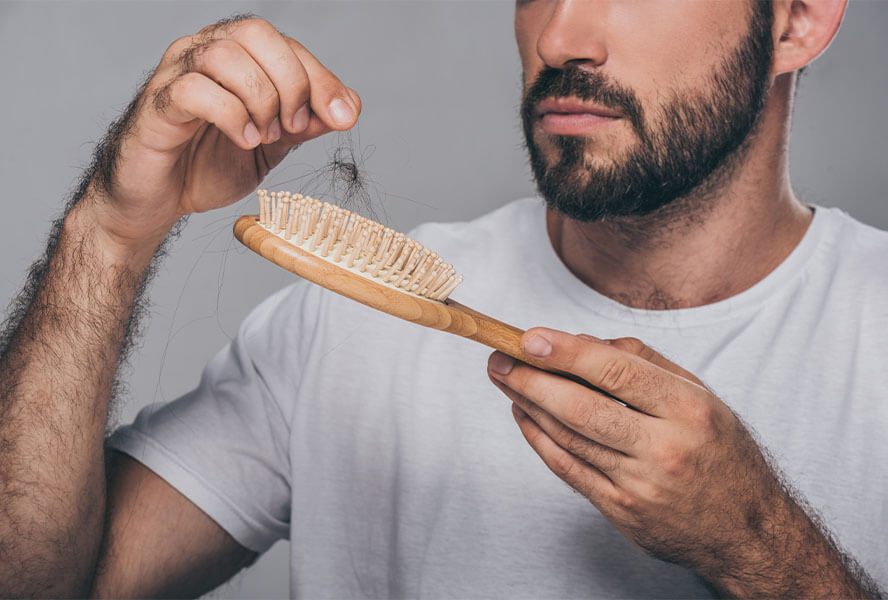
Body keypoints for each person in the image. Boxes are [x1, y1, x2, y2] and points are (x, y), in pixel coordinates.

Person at [0, 1, 885, 597]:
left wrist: (762, 543)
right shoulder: (341, 323)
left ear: (799, 19)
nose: (559, 36)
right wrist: (108, 236)